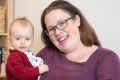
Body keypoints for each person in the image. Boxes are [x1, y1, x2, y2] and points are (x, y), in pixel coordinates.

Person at [37, 0, 120, 80]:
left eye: (61, 23)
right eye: (51, 29)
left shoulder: (106, 58)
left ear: (77, 20)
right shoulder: (45, 54)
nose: (57, 32)